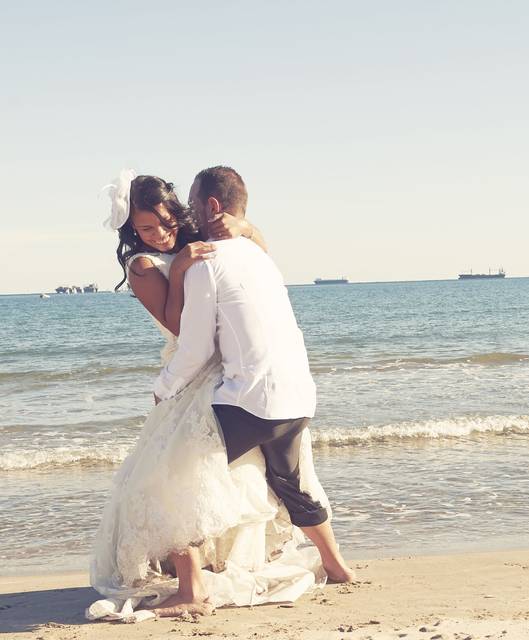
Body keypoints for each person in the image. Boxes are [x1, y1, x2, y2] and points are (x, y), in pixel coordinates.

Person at [87, 171, 342, 623]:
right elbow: (178, 325)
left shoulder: (205, 244)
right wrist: (182, 266)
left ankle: (200, 583)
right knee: (177, 475)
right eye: (146, 230)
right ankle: (196, 577)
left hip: (219, 372)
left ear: (180, 213)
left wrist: (244, 227)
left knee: (204, 475)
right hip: (191, 369)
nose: (160, 235)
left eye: (166, 223)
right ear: (132, 233)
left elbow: (252, 247)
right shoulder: (145, 266)